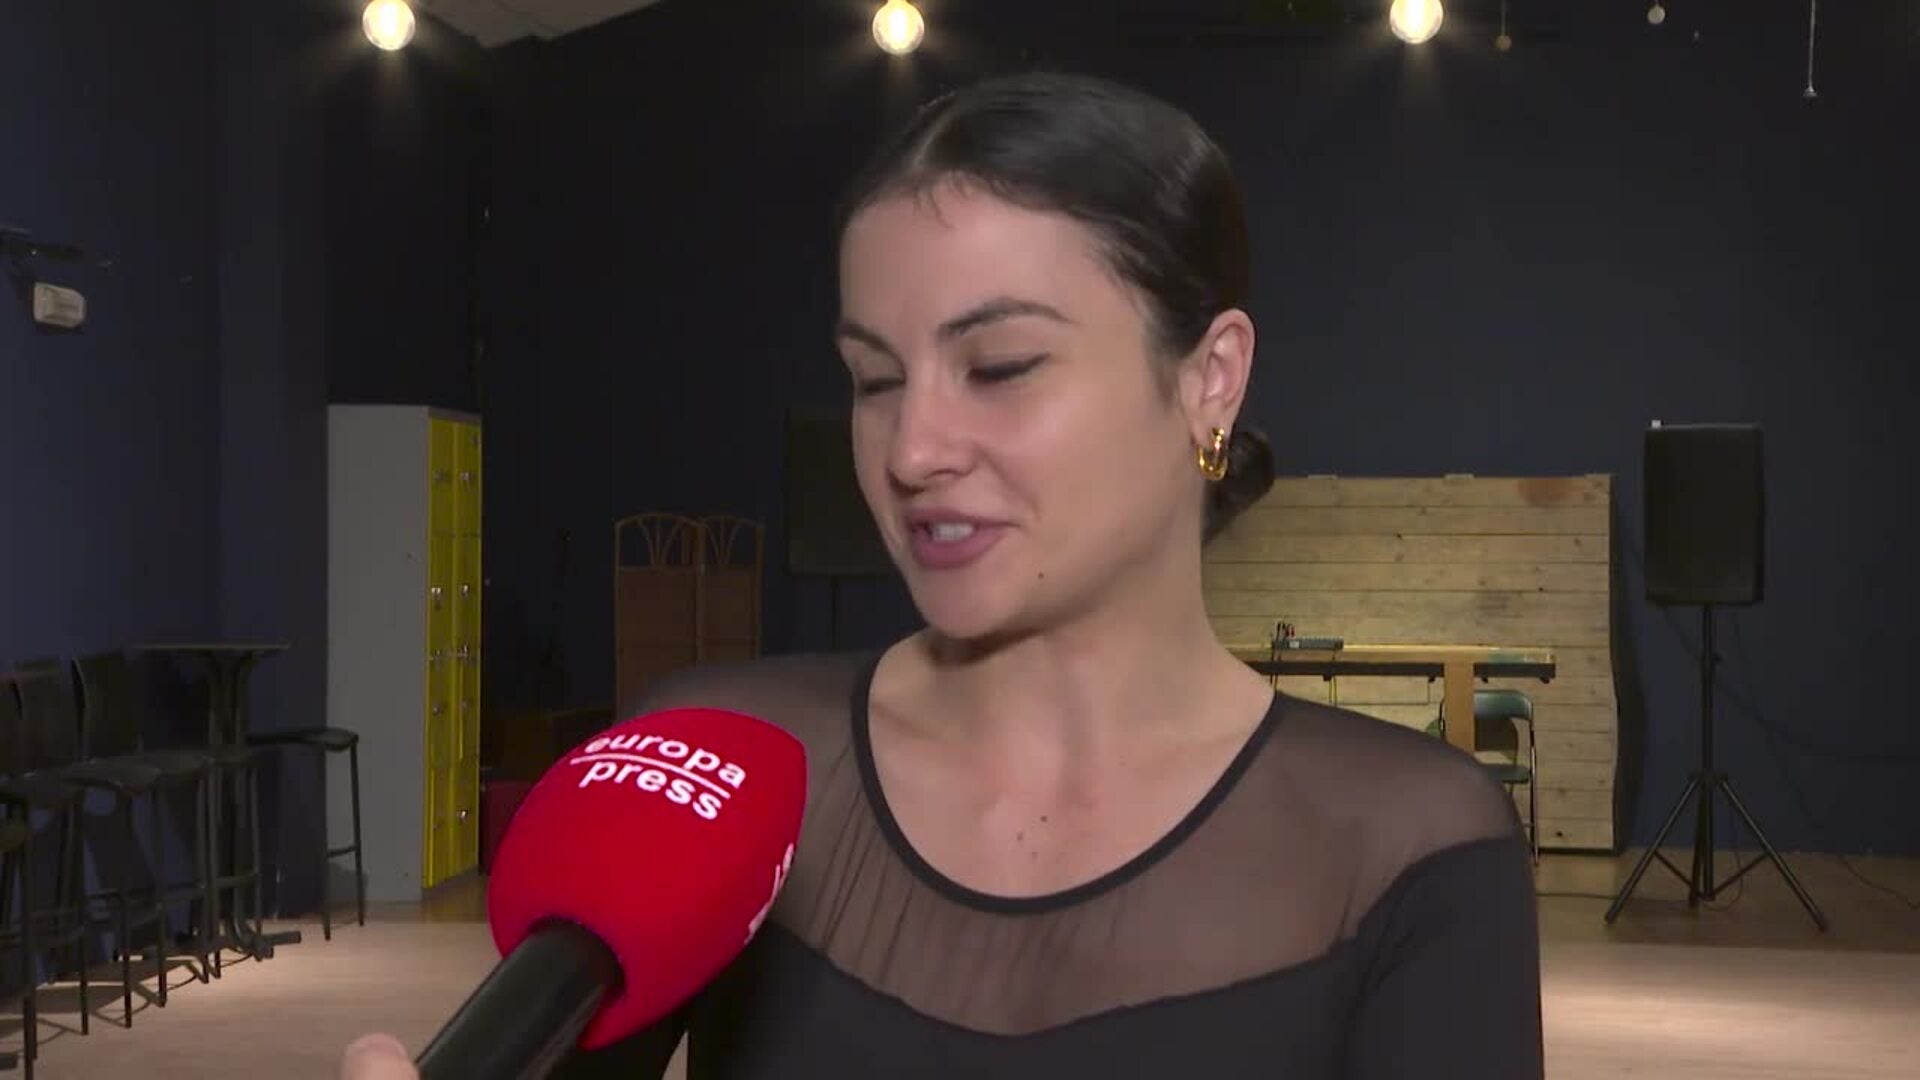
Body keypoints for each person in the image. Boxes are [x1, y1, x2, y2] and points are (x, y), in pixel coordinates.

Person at [342, 70, 1543, 1079]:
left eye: (1001, 365)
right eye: (874, 379)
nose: (911, 451)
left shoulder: (1406, 848)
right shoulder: (717, 763)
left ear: (1209, 379)